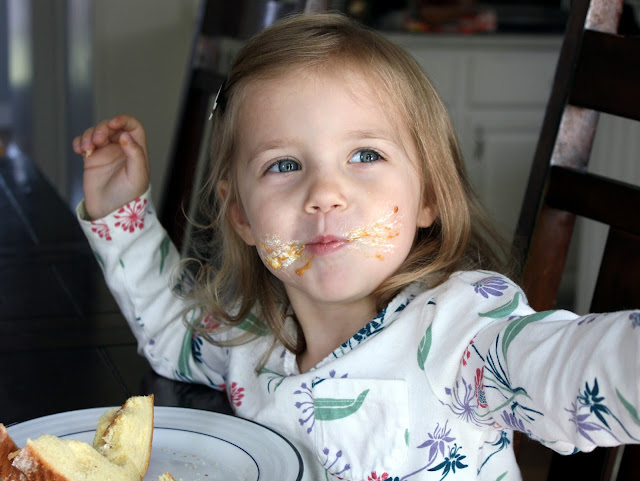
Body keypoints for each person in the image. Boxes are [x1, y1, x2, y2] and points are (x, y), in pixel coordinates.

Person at [73, 13, 640, 481]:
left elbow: (574, 367)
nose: (325, 193)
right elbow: (171, 336)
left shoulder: (460, 334)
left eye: (365, 155)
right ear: (241, 214)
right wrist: (121, 215)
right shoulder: (252, 335)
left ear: (428, 196)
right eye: (284, 165)